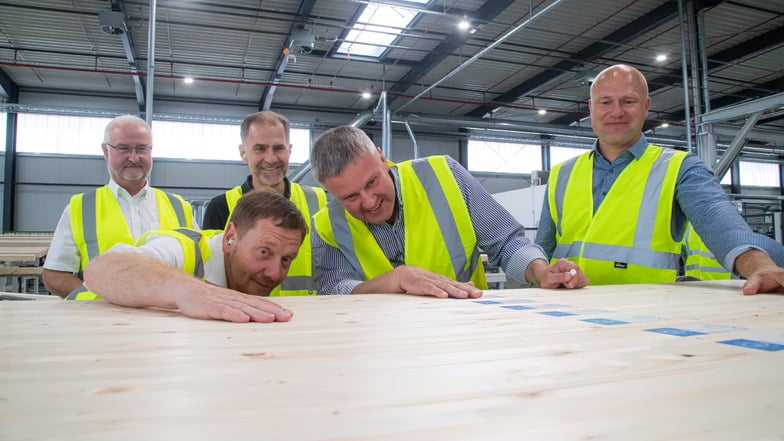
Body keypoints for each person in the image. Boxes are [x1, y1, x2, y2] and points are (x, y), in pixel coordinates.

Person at [535, 63, 784, 294]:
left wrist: (758, 265)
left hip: (648, 316)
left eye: (628, 101)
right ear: (591, 108)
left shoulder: (679, 168)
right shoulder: (562, 173)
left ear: (646, 105)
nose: (617, 111)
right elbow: (542, 253)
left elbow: (719, 220)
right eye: (605, 102)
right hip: (570, 315)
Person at [309, 125, 588, 298]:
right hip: (379, 345)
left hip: (465, 329)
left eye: (372, 182)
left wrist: (540, 272)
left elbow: (506, 241)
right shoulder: (327, 226)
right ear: (331, 193)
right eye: (350, 197)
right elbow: (334, 289)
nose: (369, 202)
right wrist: (395, 279)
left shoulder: (444, 175)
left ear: (382, 159)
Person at [80, 191, 308, 323]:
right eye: (264, 252)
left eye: (286, 259)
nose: (275, 273)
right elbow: (100, 268)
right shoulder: (184, 249)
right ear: (230, 237)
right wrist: (188, 291)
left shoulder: (255, 274)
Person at [42, 115, 196, 298]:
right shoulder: (81, 208)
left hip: (168, 318)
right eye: (123, 148)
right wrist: (97, 297)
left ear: (151, 150)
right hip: (104, 320)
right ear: (106, 151)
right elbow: (54, 276)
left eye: (141, 148)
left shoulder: (179, 207)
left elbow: (202, 265)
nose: (133, 157)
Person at [202, 111, 327, 296]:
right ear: (243, 153)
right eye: (260, 149)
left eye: (278, 148)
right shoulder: (221, 207)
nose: (270, 159)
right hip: (244, 317)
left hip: (306, 316)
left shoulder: (317, 200)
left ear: (289, 150)